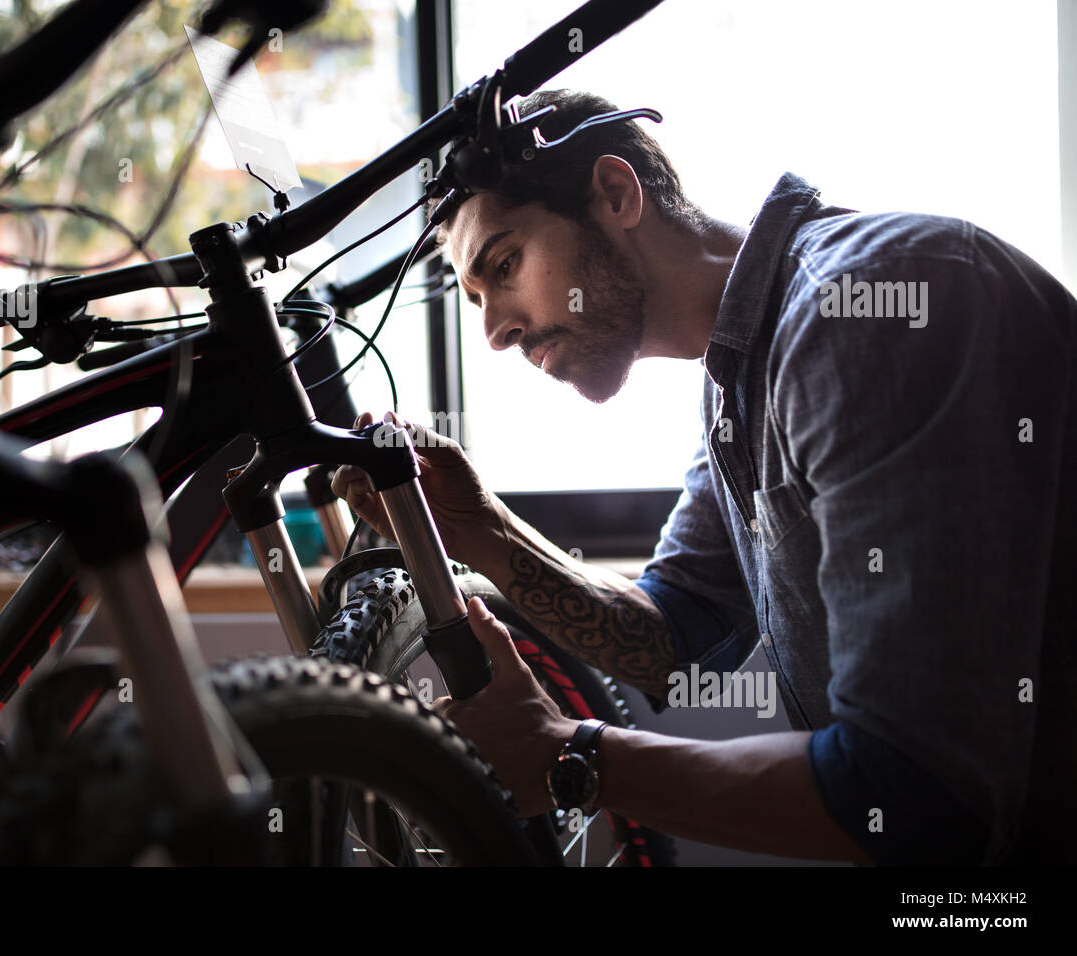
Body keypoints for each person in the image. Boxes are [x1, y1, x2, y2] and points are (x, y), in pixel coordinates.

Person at [332, 89, 1076, 865]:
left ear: (616, 194)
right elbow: (673, 641)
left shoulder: (857, 314)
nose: (495, 332)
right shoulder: (738, 379)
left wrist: (567, 757)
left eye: (507, 264)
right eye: (477, 299)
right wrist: (478, 528)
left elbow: (912, 790)